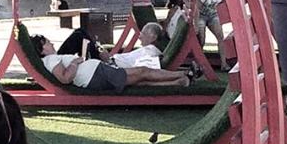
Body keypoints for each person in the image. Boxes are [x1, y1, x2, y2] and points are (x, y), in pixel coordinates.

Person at [30, 34, 188, 90]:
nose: (52, 44)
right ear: (42, 49)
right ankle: (183, 74)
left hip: (97, 73)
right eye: (48, 43)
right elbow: (65, 78)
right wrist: (75, 62)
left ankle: (177, 82)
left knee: (139, 80)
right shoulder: (50, 60)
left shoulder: (51, 59)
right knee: (143, 71)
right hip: (97, 74)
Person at [195, 0, 229, 70]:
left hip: (213, 15)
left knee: (220, 36)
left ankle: (224, 64)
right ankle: (198, 63)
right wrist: (196, 25)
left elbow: (225, 4)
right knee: (201, 39)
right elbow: (196, 9)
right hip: (200, 16)